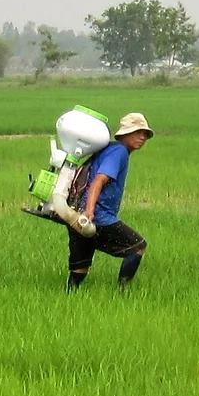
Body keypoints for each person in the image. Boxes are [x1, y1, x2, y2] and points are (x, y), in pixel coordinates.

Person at [68, 111, 152, 290]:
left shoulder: (111, 149)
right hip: (98, 216)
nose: (142, 137)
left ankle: (69, 296)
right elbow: (99, 180)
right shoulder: (119, 152)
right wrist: (90, 210)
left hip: (77, 215)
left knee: (80, 267)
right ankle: (122, 292)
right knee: (138, 246)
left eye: (145, 134)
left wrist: (85, 212)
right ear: (125, 134)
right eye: (138, 132)